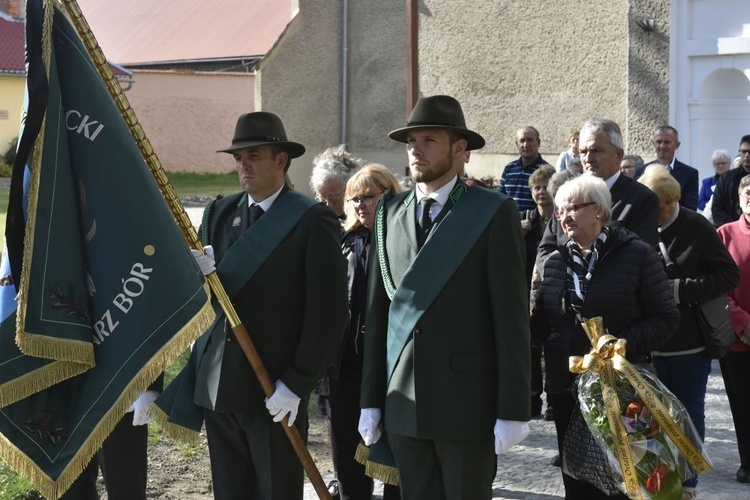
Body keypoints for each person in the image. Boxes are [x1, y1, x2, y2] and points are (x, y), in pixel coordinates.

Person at [359, 95, 531, 499]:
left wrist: (513, 408)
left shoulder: (492, 211)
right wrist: (371, 399)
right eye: (410, 141)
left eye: (428, 139)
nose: (415, 149)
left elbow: (510, 318)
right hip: (403, 402)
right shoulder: (389, 212)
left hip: (466, 405)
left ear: (460, 150)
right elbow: (379, 314)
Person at [191, 111, 349, 499]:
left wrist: (297, 384)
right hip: (221, 385)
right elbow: (198, 304)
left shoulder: (312, 220)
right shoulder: (219, 213)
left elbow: (328, 314)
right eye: (238, 158)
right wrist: (194, 276)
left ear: (281, 160)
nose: (244, 165)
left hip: (274, 389)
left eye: (254, 155)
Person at [531, 174, 680, 499]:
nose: (564, 217)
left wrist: (619, 345)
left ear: (599, 210)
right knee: (578, 484)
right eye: (559, 211)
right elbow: (542, 328)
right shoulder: (555, 263)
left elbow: (667, 318)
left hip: (623, 388)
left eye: (572, 208)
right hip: (567, 391)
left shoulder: (637, 254)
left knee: (626, 484)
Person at [638, 165, 740, 498]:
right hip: (651, 342)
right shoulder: (641, 226)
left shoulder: (696, 226)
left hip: (690, 345)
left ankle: (689, 482)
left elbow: (728, 277)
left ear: (672, 202)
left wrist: (681, 289)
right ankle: (659, 479)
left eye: (661, 208)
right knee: (652, 415)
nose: (657, 215)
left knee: (688, 413)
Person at [329, 164, 403, 500]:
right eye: (354, 199)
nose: (361, 205)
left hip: (392, 366)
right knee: (348, 458)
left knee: (394, 462)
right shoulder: (344, 241)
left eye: (369, 197)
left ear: (388, 194)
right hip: (347, 365)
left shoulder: (405, 239)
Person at [537, 118, 659, 264]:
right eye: (583, 152)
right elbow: (545, 250)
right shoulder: (566, 195)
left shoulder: (642, 199)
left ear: (618, 155)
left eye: (596, 151)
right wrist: (565, 277)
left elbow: (637, 257)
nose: (588, 158)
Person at [717, 174, 750, 485]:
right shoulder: (724, 234)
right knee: (742, 404)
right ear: (739, 198)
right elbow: (717, 288)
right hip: (737, 339)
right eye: (748, 192)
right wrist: (743, 322)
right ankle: (747, 462)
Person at [522, 165, 556, 418]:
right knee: (531, 349)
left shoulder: (562, 218)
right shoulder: (523, 219)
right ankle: (533, 401)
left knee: (553, 348)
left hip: (554, 292)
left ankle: (554, 402)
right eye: (537, 188)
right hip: (529, 294)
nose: (541, 192)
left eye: (545, 187)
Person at [635, 126, 700, 210]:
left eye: (667, 142)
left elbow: (691, 207)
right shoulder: (641, 171)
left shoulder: (690, 173)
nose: (662, 146)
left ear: (677, 145)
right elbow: (637, 202)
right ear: (653, 144)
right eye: (658, 142)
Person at [498, 125, 552, 213]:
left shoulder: (547, 171)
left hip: (535, 224)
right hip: (511, 223)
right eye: (522, 141)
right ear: (517, 144)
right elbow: (500, 198)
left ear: (538, 142)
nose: (526, 145)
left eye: (530, 140)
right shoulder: (509, 169)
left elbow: (551, 203)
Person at [310, 144, 365, 220]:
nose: (329, 205)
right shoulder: (319, 221)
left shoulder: (366, 219)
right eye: (323, 198)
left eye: (334, 197)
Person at [712, 135, 750, 227]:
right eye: (744, 151)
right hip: (731, 231)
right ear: (740, 153)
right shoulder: (726, 178)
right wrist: (733, 228)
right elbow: (717, 208)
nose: (747, 155)